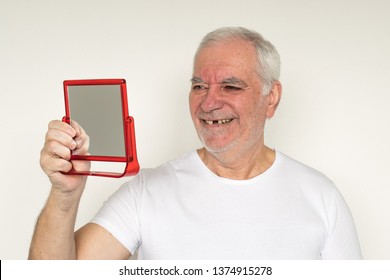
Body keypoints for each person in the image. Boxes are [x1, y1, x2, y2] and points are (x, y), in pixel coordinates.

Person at [29, 27, 362, 260]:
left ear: (271, 97)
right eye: (200, 86)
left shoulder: (321, 196)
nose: (209, 103)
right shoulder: (147, 191)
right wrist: (65, 195)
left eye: (231, 87)